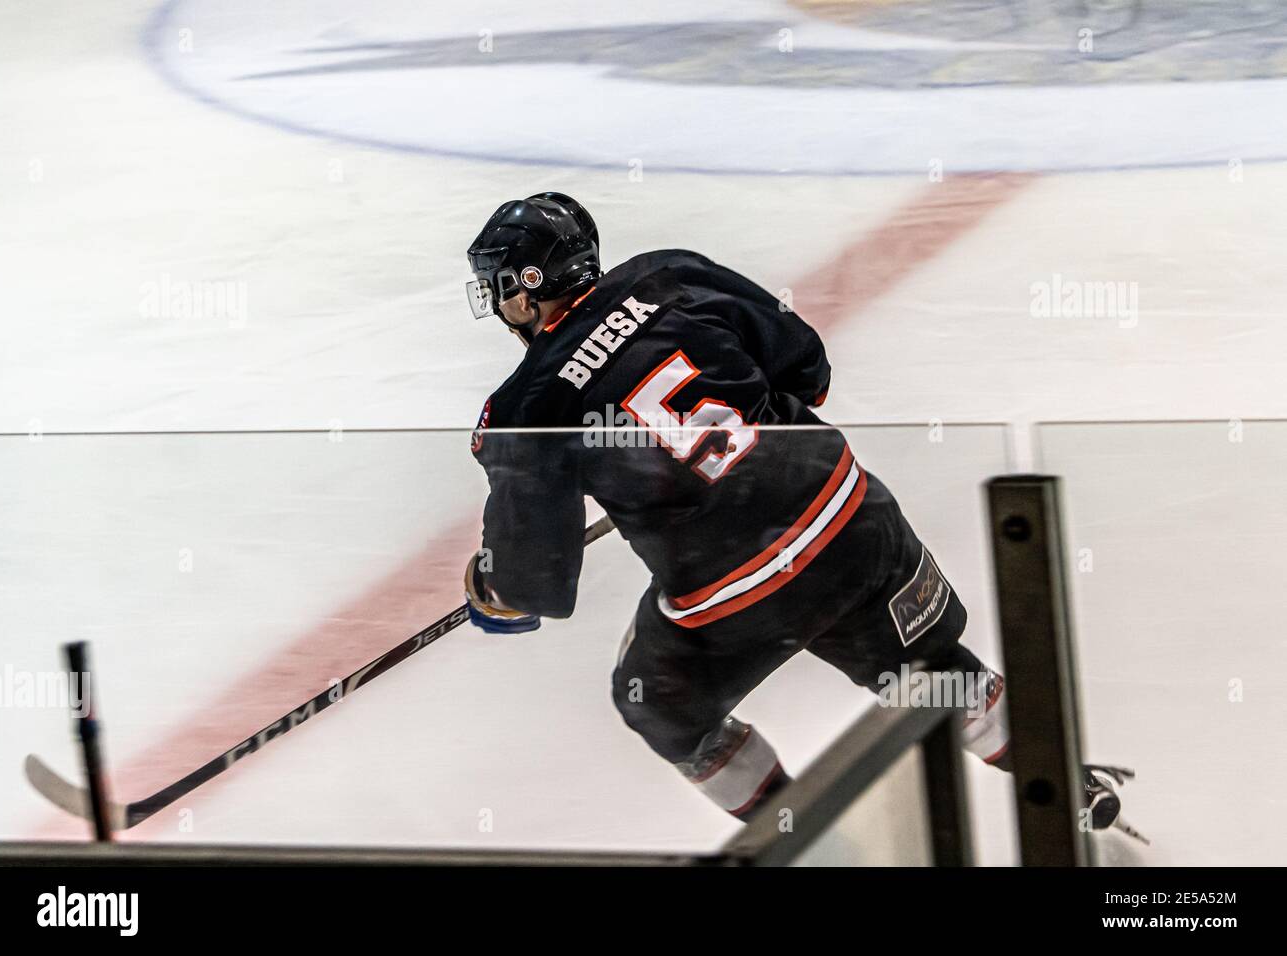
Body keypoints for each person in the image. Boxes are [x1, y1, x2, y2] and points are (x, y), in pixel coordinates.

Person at [460, 192, 1133, 831]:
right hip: (853, 522)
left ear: (523, 288)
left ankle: (801, 839)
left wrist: (492, 588)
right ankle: (1065, 783)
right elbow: (808, 369)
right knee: (927, 669)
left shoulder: (528, 407)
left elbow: (537, 583)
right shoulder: (669, 275)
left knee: (657, 703)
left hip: (735, 599)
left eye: (500, 290)